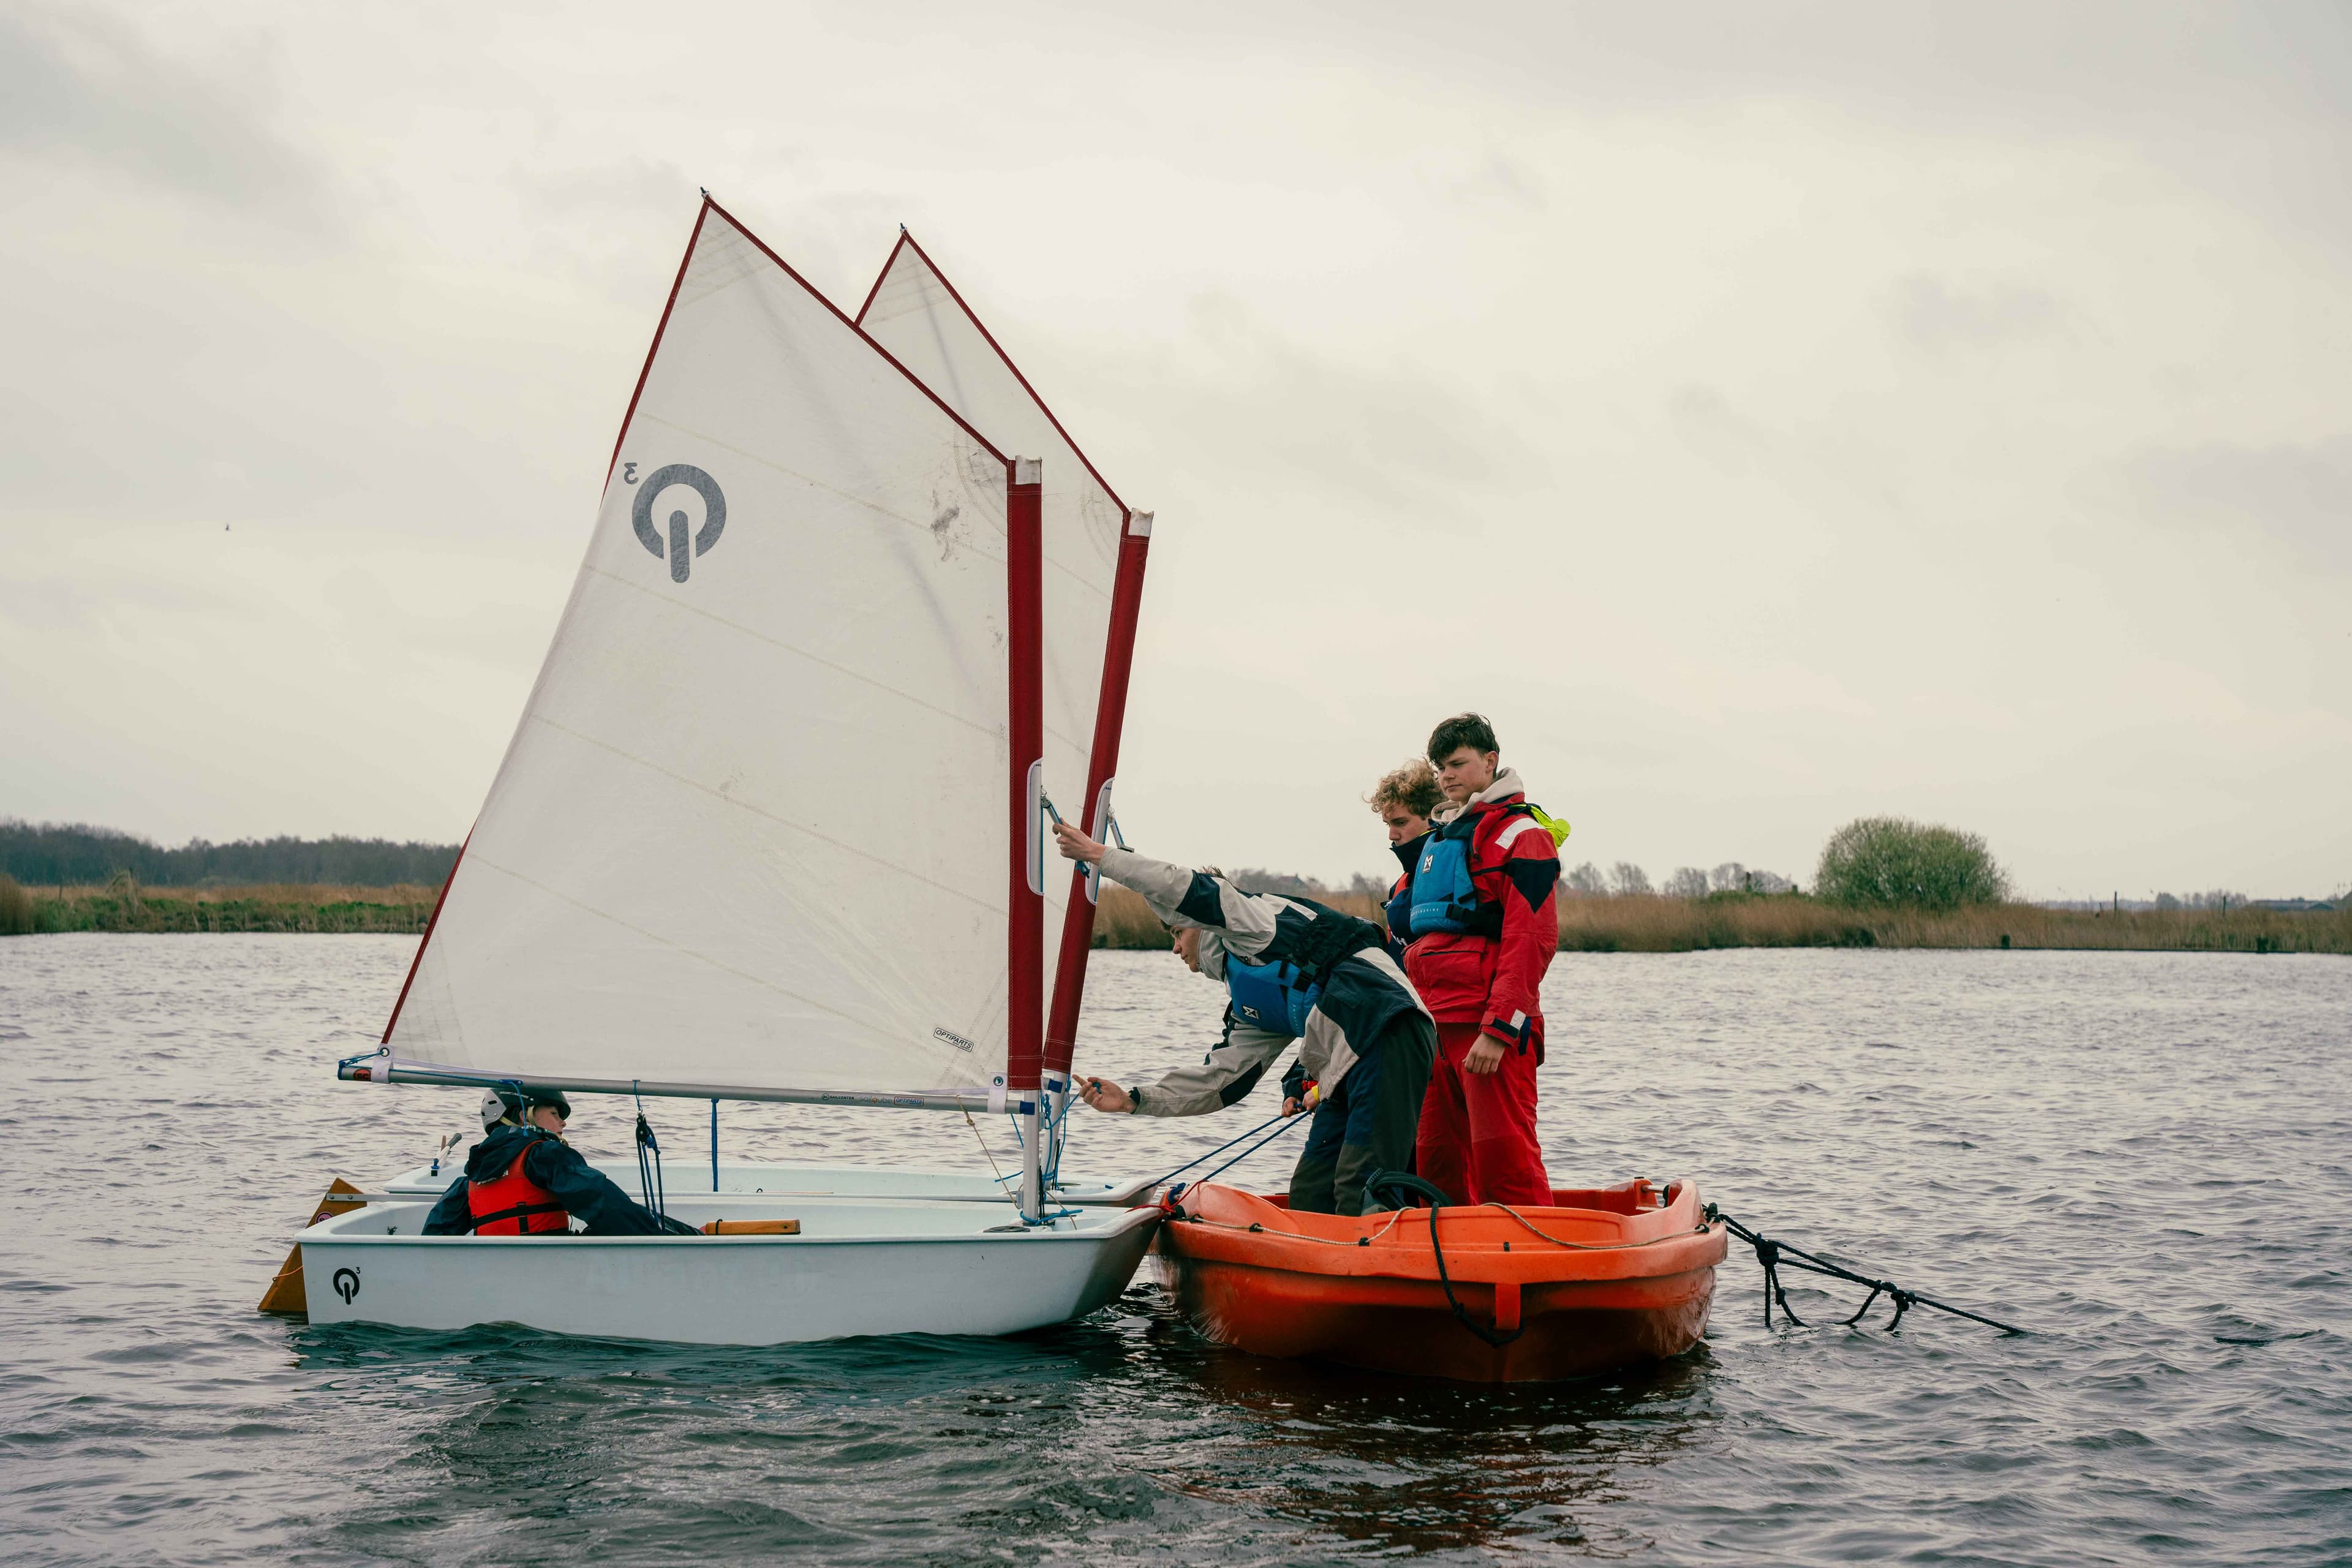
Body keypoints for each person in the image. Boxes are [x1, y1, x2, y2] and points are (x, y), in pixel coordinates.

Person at [1054, 822, 1436, 1217]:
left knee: (1362, 1188)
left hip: (1390, 1029)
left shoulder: (1253, 921)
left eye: (1178, 932)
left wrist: (1102, 857)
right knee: (1311, 1194)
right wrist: (1133, 1100)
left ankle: (1390, 1242)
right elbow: (1221, 1081)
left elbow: (1187, 890)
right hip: (1347, 1060)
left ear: (1199, 922)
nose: (1176, 948)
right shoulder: (1249, 1005)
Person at [1393, 712, 1564, 1208]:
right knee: (1436, 1163)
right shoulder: (1442, 838)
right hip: (1432, 1028)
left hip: (1486, 1027)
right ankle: (1447, 1251)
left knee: (1503, 1162)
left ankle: (1532, 1250)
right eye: (1440, 768)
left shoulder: (1523, 835)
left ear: (1491, 761)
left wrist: (1500, 1029)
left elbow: (1531, 940)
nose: (1446, 776)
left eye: (1457, 764)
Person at [424, 1090, 697, 1236]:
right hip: (553, 1270)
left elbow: (436, 1235)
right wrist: (662, 1240)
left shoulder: (470, 1177)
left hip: (498, 1275)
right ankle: (699, 1238)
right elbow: (605, 1204)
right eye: (555, 1114)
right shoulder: (545, 1156)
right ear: (525, 1117)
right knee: (642, 1221)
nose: (563, 1123)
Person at [1368, 758, 1443, 962]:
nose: (1391, 835)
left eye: (1400, 823)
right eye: (1388, 825)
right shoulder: (1399, 888)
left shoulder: (1461, 873)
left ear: (1433, 817)